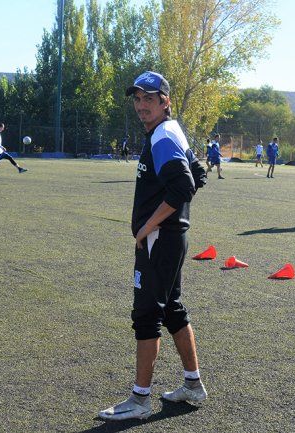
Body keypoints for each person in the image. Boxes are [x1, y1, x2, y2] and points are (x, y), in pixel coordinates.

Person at [98, 71, 208, 421]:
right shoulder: (170, 131)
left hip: (161, 239)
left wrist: (148, 227)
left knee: (147, 314)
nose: (141, 105)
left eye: (149, 98)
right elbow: (199, 173)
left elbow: (183, 186)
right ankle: (193, 384)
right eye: (137, 98)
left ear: (165, 101)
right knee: (171, 307)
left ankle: (139, 400)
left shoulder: (162, 136)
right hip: (172, 236)